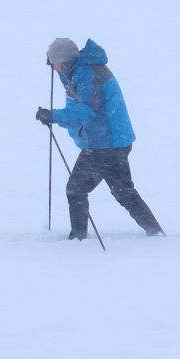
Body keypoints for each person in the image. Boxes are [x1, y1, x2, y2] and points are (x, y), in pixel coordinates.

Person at [37, 38, 164, 240]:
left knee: (76, 189)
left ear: (63, 61)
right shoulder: (81, 73)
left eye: (55, 64)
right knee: (123, 192)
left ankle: (78, 238)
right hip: (113, 141)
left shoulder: (86, 74)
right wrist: (55, 117)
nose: (54, 69)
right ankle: (155, 231)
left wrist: (53, 115)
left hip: (104, 144)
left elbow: (86, 111)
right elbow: (77, 113)